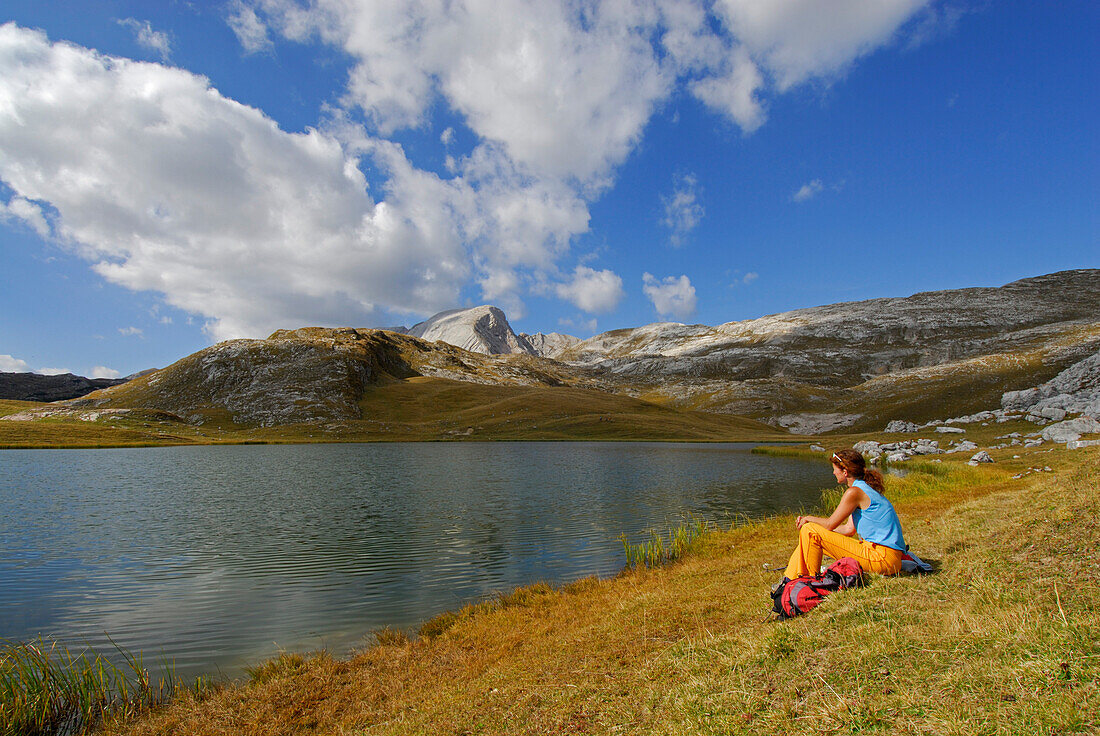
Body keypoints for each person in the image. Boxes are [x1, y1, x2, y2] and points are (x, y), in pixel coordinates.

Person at [781, 448, 907, 582]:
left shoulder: (854, 492)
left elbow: (830, 524)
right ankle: (789, 580)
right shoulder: (864, 489)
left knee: (810, 531)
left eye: (835, 469)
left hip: (881, 558)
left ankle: (808, 582)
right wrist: (814, 526)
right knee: (811, 533)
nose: (833, 472)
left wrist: (808, 519)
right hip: (889, 559)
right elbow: (848, 529)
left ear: (845, 472)